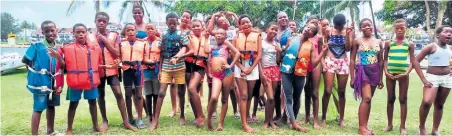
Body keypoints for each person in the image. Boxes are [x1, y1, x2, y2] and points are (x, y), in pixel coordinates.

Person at [149, 13, 194, 131]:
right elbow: (160, 55)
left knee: (181, 92)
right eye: (170, 23)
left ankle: (182, 115)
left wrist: (180, 56)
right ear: (166, 23)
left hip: (180, 67)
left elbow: (192, 50)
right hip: (166, 68)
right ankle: (155, 120)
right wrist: (159, 69)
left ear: (177, 22)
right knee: (161, 93)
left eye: (174, 23)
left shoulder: (182, 35)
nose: (172, 25)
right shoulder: (162, 36)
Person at [92, 12, 136, 131]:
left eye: (104, 21)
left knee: (118, 93)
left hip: (112, 70)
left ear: (107, 23)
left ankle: (126, 121)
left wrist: (104, 40)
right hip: (99, 70)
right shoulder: (90, 37)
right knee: (100, 95)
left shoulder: (114, 35)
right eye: (99, 20)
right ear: (95, 21)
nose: (101, 23)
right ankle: (105, 121)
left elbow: (117, 53)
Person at [280, 23, 328, 132]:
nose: (308, 29)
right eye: (307, 27)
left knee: (297, 98)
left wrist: (323, 52)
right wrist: (282, 50)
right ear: (303, 28)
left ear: (312, 35)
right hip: (287, 71)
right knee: (288, 97)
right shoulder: (292, 39)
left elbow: (314, 63)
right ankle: (294, 123)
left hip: (300, 74)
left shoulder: (310, 45)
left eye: (311, 30)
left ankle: (293, 120)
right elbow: (283, 53)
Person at [60, 23, 106, 134]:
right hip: (75, 81)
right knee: (73, 104)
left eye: (83, 32)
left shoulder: (95, 48)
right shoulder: (67, 48)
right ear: (73, 34)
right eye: (78, 32)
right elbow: (62, 64)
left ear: (86, 33)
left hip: (90, 80)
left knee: (93, 103)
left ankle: (96, 125)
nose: (81, 34)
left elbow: (99, 64)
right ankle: (69, 128)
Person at [23, 20, 64, 135]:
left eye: (52, 30)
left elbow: (63, 65)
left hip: (54, 84)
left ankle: (50, 131)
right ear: (43, 32)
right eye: (47, 31)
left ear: (56, 30)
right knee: (38, 108)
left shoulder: (60, 48)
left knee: (51, 107)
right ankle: (34, 134)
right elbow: (26, 61)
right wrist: (34, 76)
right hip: (41, 84)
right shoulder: (36, 46)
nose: (50, 33)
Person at [412, 25, 452, 136]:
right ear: (438, 34)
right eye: (446, 32)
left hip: (447, 79)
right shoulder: (431, 46)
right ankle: (422, 127)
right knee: (426, 102)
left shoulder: (450, 48)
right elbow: (415, 61)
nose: (449, 34)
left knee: (439, 104)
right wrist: (423, 79)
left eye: (450, 32)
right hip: (432, 77)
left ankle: (435, 130)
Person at [350, 18, 384, 135]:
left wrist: (380, 78)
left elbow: (381, 61)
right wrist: (352, 77)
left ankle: (365, 126)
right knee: (367, 98)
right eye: (364, 26)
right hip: (362, 70)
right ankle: (361, 128)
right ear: (360, 28)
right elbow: (352, 60)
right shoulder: (357, 41)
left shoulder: (379, 42)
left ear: (372, 27)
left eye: (369, 25)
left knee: (369, 100)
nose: (367, 27)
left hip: (374, 71)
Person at [383, 19, 415, 135]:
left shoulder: (410, 44)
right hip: (390, 74)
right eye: (397, 28)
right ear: (394, 29)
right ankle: (390, 125)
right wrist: (386, 72)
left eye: (402, 28)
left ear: (406, 29)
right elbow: (385, 59)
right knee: (390, 99)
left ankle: (402, 127)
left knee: (403, 99)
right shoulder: (388, 43)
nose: (399, 30)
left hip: (403, 75)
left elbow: (412, 61)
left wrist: (406, 73)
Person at [321, 14, 354, 127]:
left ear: (344, 24)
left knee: (341, 91)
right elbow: (324, 46)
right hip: (330, 60)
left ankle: (341, 118)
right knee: (328, 91)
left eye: (340, 26)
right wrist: (323, 62)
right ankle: (323, 118)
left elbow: (348, 48)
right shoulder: (328, 30)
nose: (338, 28)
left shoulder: (348, 31)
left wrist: (348, 34)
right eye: (337, 26)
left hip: (343, 61)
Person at [205, 28, 241, 131]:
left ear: (225, 36)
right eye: (217, 34)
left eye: (222, 34)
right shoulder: (212, 47)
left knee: (224, 99)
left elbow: (237, 53)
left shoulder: (226, 44)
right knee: (214, 97)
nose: (219, 35)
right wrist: (210, 72)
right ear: (214, 36)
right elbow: (207, 53)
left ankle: (220, 123)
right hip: (216, 75)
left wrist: (231, 65)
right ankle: (209, 121)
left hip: (227, 73)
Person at [233, 14, 262, 133]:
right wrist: (242, 67)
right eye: (243, 23)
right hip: (239, 65)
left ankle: (246, 118)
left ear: (251, 23)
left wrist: (250, 69)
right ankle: (244, 124)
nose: (246, 24)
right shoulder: (236, 37)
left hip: (253, 66)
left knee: (249, 95)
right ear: (239, 26)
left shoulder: (257, 35)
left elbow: (259, 54)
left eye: (248, 22)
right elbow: (232, 54)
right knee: (243, 95)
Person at [120, 23, 149, 129]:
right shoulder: (121, 43)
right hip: (127, 70)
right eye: (128, 30)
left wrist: (152, 62)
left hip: (138, 71)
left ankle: (140, 119)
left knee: (139, 95)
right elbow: (118, 56)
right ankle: (130, 118)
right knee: (128, 95)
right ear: (125, 32)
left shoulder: (142, 43)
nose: (130, 32)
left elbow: (145, 57)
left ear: (136, 31)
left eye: (132, 30)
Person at [185, 19, 208, 127]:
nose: (196, 28)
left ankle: (201, 116)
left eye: (198, 26)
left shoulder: (206, 38)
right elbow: (185, 49)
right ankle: (196, 117)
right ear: (190, 28)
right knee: (191, 92)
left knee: (192, 88)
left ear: (202, 27)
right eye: (193, 26)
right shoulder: (188, 37)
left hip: (200, 65)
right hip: (188, 65)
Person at [303, 16, 324, 128]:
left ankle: (315, 120)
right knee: (306, 92)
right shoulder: (303, 37)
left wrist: (322, 66)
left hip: (316, 66)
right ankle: (307, 117)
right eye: (311, 24)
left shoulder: (319, 38)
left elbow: (321, 52)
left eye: (315, 24)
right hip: (304, 66)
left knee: (315, 93)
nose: (313, 26)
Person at [259, 22, 281, 129]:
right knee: (271, 97)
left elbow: (277, 61)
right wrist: (261, 73)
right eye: (272, 29)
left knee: (271, 98)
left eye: (276, 30)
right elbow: (258, 60)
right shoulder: (261, 43)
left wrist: (279, 52)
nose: (274, 31)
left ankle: (270, 120)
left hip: (275, 70)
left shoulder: (277, 44)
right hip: (265, 70)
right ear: (267, 29)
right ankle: (266, 121)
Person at [274, 11, 292, 123]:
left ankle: (286, 115)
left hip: (287, 62)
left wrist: (282, 50)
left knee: (286, 90)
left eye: (285, 17)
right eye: (281, 17)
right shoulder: (274, 32)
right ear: (277, 20)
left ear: (288, 18)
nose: (283, 19)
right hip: (274, 62)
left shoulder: (291, 32)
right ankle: (278, 114)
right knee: (276, 89)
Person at [143, 23, 161, 123]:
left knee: (156, 94)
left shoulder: (159, 42)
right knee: (148, 94)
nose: (150, 30)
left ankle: (155, 115)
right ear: (145, 30)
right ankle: (149, 115)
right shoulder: (142, 42)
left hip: (156, 71)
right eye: (148, 29)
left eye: (152, 29)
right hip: (145, 71)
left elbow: (162, 56)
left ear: (155, 30)